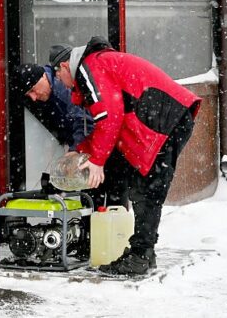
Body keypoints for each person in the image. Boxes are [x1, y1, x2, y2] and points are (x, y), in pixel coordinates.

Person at [50, 36, 201, 276]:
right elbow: (108, 121)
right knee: (145, 187)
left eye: (58, 76)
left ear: (65, 66)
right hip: (166, 117)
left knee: (148, 189)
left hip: (163, 117)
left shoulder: (90, 66)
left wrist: (97, 161)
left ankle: (140, 257)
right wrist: (82, 149)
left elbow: (109, 115)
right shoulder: (98, 63)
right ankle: (144, 254)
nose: (61, 82)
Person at [16, 61, 128, 208]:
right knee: (94, 196)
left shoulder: (63, 89)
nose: (33, 97)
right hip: (91, 147)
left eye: (32, 90)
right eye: (28, 94)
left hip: (105, 145)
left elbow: (84, 121)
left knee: (107, 196)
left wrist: (74, 150)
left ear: (43, 77)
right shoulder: (47, 91)